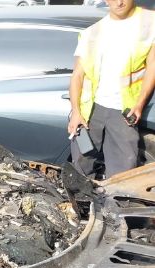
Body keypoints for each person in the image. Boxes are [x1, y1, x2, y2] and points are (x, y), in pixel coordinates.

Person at [68, 0, 155, 178]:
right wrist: (76, 112)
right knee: (81, 167)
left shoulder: (150, 22)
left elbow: (152, 66)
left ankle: (115, 197)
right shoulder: (92, 33)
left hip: (123, 111)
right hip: (91, 110)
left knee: (122, 172)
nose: (119, 2)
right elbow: (77, 75)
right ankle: (83, 196)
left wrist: (139, 104)